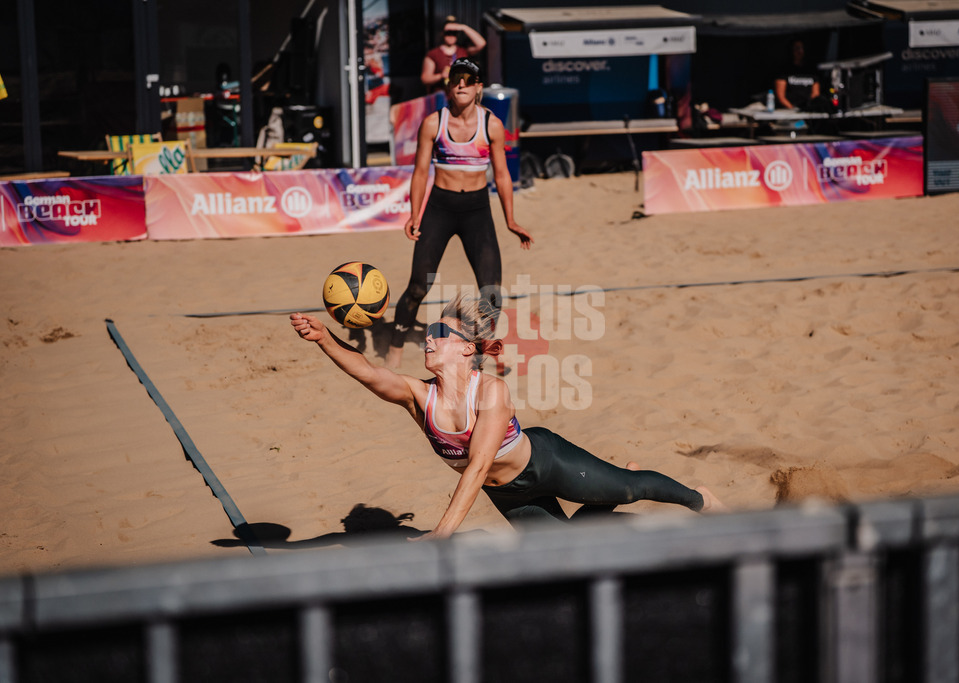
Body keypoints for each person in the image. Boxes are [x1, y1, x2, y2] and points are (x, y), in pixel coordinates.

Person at [291, 294, 725, 541]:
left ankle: (699, 499)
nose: (430, 338)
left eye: (441, 333)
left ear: (465, 348)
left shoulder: (492, 391)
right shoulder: (416, 395)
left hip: (546, 463)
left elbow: (478, 464)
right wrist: (323, 338)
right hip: (508, 492)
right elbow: (368, 372)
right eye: (429, 332)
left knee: (633, 489)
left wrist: (443, 532)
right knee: (560, 552)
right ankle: (609, 490)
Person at [386, 58, 532, 370]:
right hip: (440, 208)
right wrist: (414, 214)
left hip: (477, 210)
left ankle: (492, 349)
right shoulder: (433, 123)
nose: (461, 84)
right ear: (449, 86)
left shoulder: (491, 124)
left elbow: (503, 175)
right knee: (418, 287)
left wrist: (510, 220)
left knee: (491, 290)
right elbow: (420, 172)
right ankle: (395, 346)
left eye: (468, 79)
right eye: (456, 79)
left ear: (479, 86)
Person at [421, 18, 486, 94]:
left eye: (454, 33)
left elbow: (481, 44)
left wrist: (464, 27)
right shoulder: (433, 54)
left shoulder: (463, 51)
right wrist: (441, 75)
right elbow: (425, 79)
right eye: (448, 33)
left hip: (460, 94)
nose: (451, 36)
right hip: (442, 96)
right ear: (442, 34)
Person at [774, 39, 821, 110]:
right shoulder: (784, 70)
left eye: (802, 48)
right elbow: (781, 96)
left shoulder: (811, 71)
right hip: (788, 110)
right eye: (797, 48)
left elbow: (816, 94)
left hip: (808, 109)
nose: (800, 51)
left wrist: (809, 108)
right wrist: (793, 109)